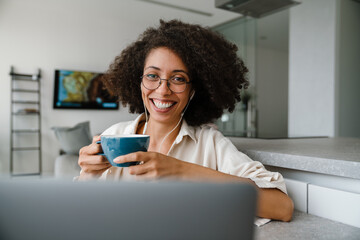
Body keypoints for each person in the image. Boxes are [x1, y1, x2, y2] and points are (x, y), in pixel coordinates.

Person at [77, 19, 294, 222]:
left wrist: (182, 170)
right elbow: (81, 212)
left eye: (178, 79)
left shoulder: (210, 143)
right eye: (152, 76)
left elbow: (282, 207)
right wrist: (88, 175)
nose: (163, 90)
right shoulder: (114, 136)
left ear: (193, 91)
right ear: (139, 82)